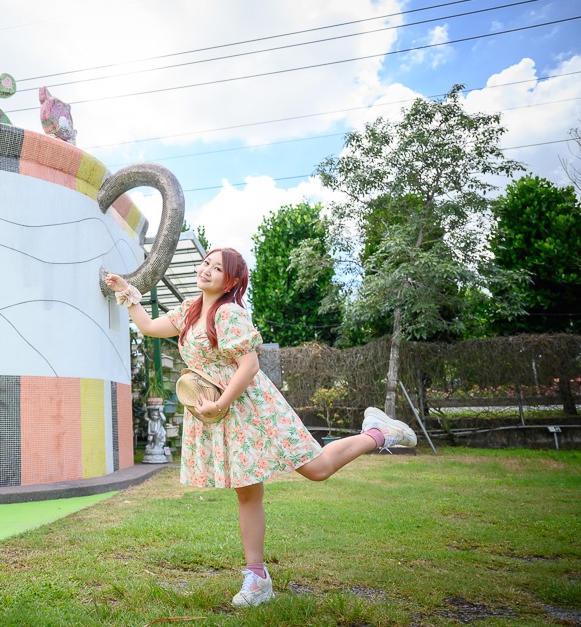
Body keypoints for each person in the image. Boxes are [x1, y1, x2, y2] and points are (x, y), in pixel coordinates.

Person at [105, 247, 416, 608]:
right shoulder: (191, 311)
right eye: (206, 262)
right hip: (223, 412)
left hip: (253, 408)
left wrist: (221, 403)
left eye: (217, 268)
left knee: (317, 469)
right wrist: (127, 292)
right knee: (247, 491)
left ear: (231, 280)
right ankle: (257, 577)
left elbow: (249, 366)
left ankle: (378, 433)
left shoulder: (229, 313)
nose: (206, 269)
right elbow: (147, 326)